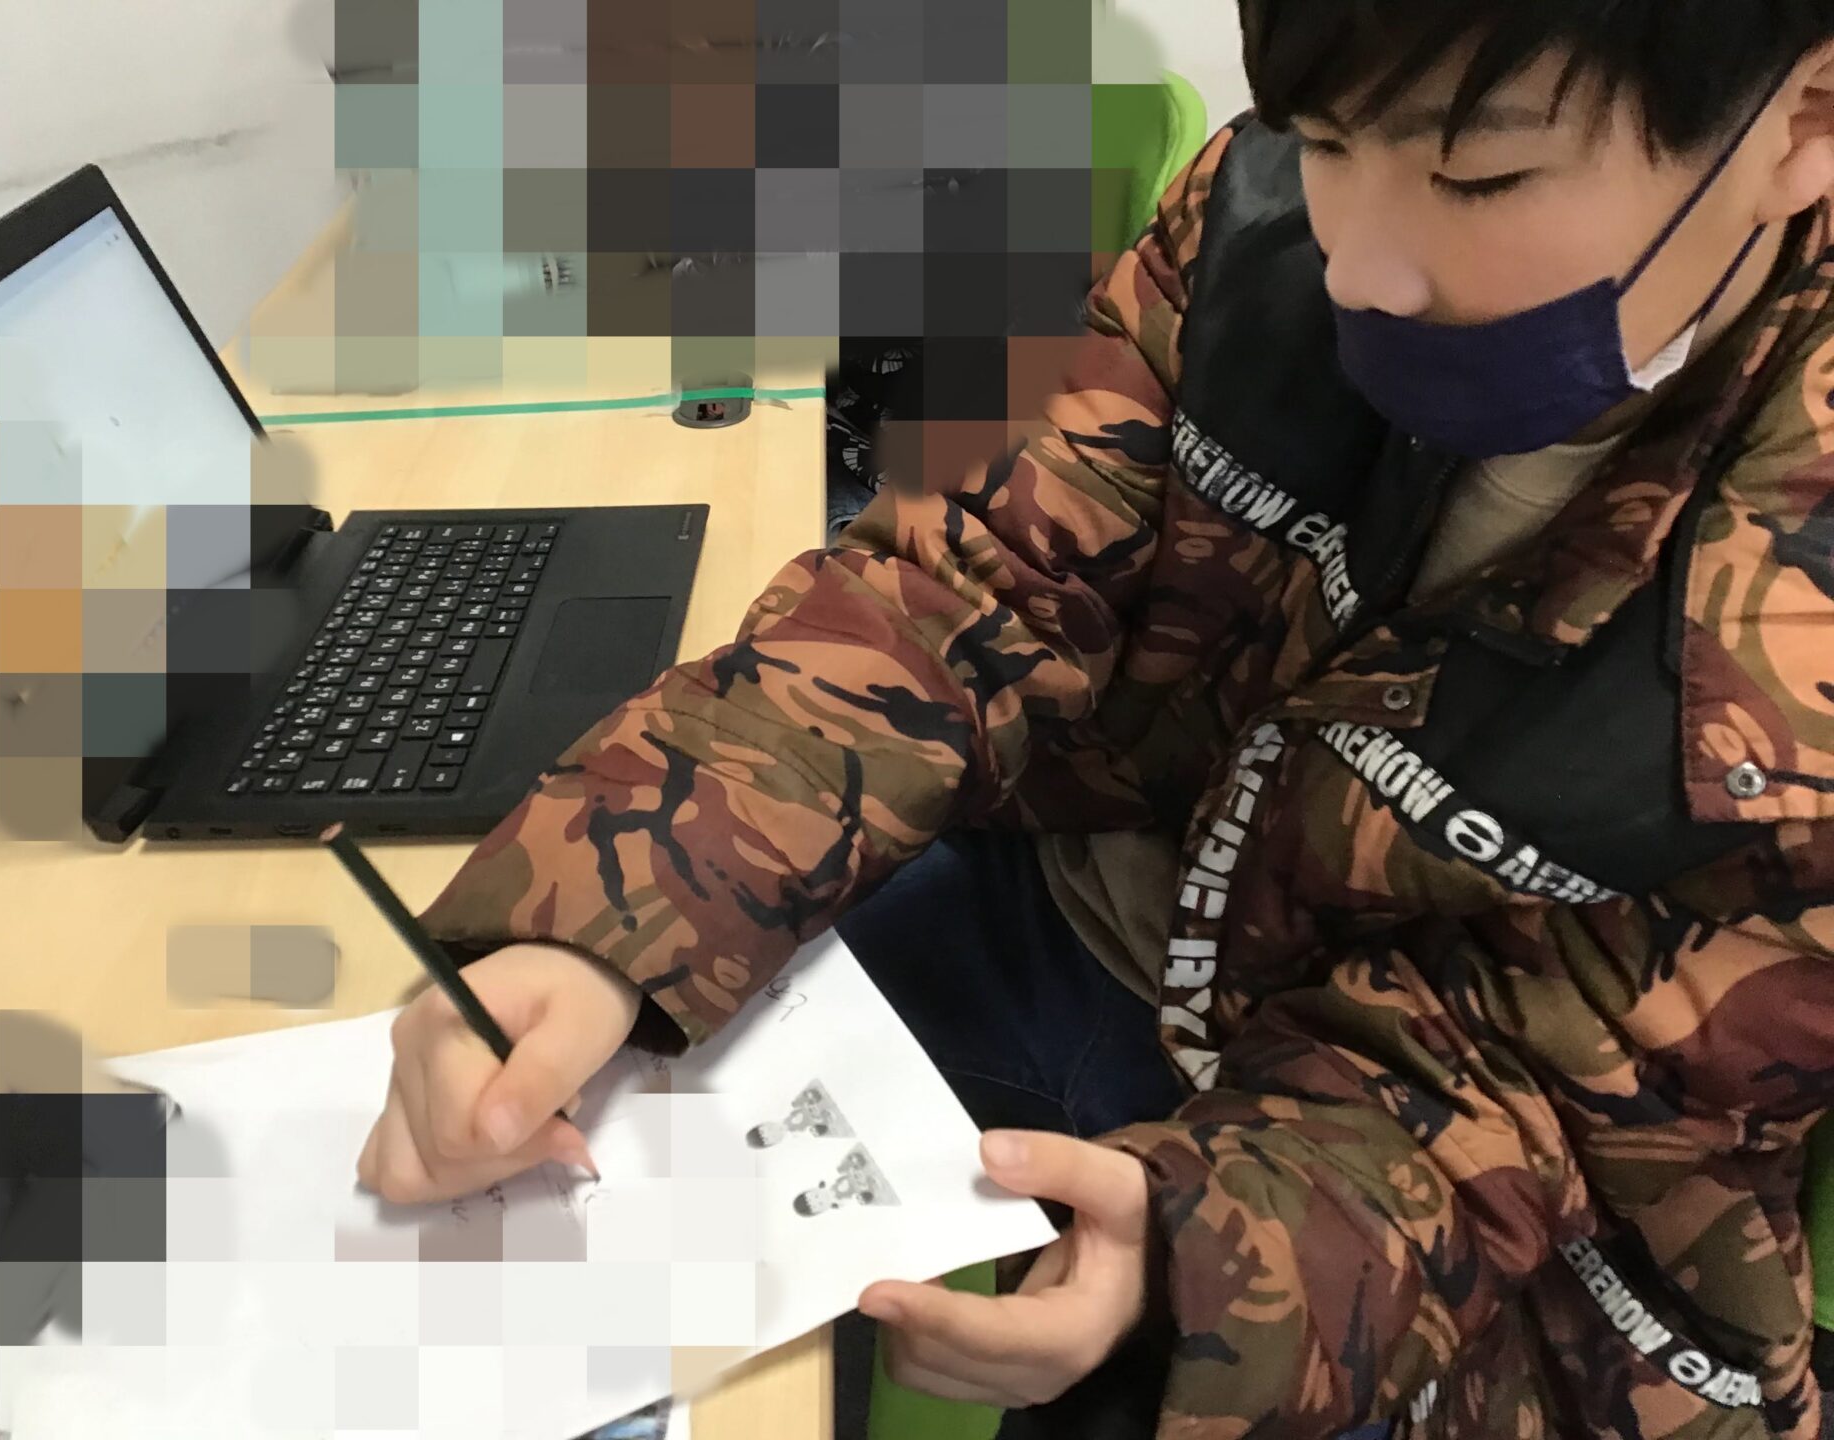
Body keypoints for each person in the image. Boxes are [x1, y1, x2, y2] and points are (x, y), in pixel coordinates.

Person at [354, 2, 1834, 1436]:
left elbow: (1550, 1101)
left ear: (1801, 124)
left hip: (1430, 1204)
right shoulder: (1257, 227)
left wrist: (1194, 1267)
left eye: (1479, 175)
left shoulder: (1799, 630)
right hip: (1070, 914)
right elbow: (971, 574)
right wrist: (606, 921)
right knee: (546, 1158)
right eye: (1326, 137)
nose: (1360, 264)